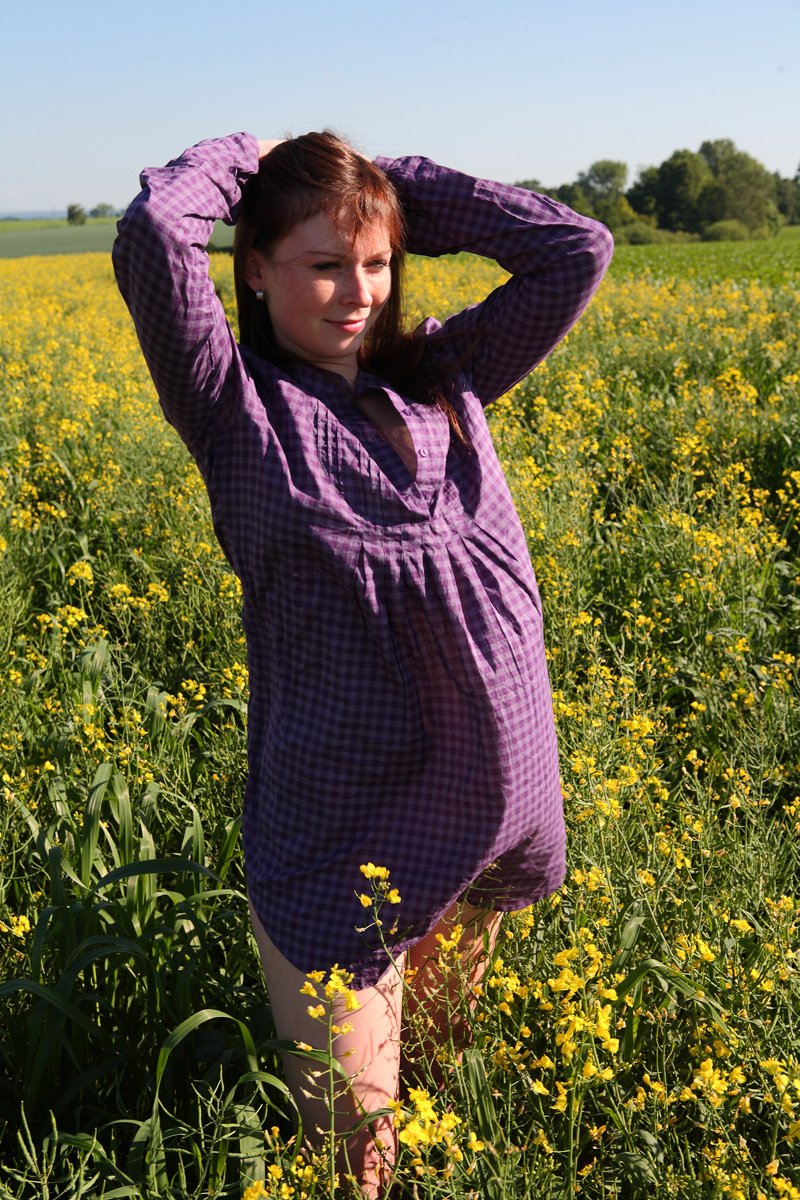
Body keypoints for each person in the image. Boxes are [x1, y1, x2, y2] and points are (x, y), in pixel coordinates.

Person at [113, 131, 613, 1195]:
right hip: (345, 816)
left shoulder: (443, 372)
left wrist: (386, 187)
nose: (358, 292)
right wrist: (248, 161)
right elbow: (157, 232)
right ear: (254, 269)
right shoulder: (234, 407)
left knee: (440, 1074)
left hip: (493, 797)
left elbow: (575, 249)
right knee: (356, 1155)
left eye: (378, 262)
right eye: (325, 263)